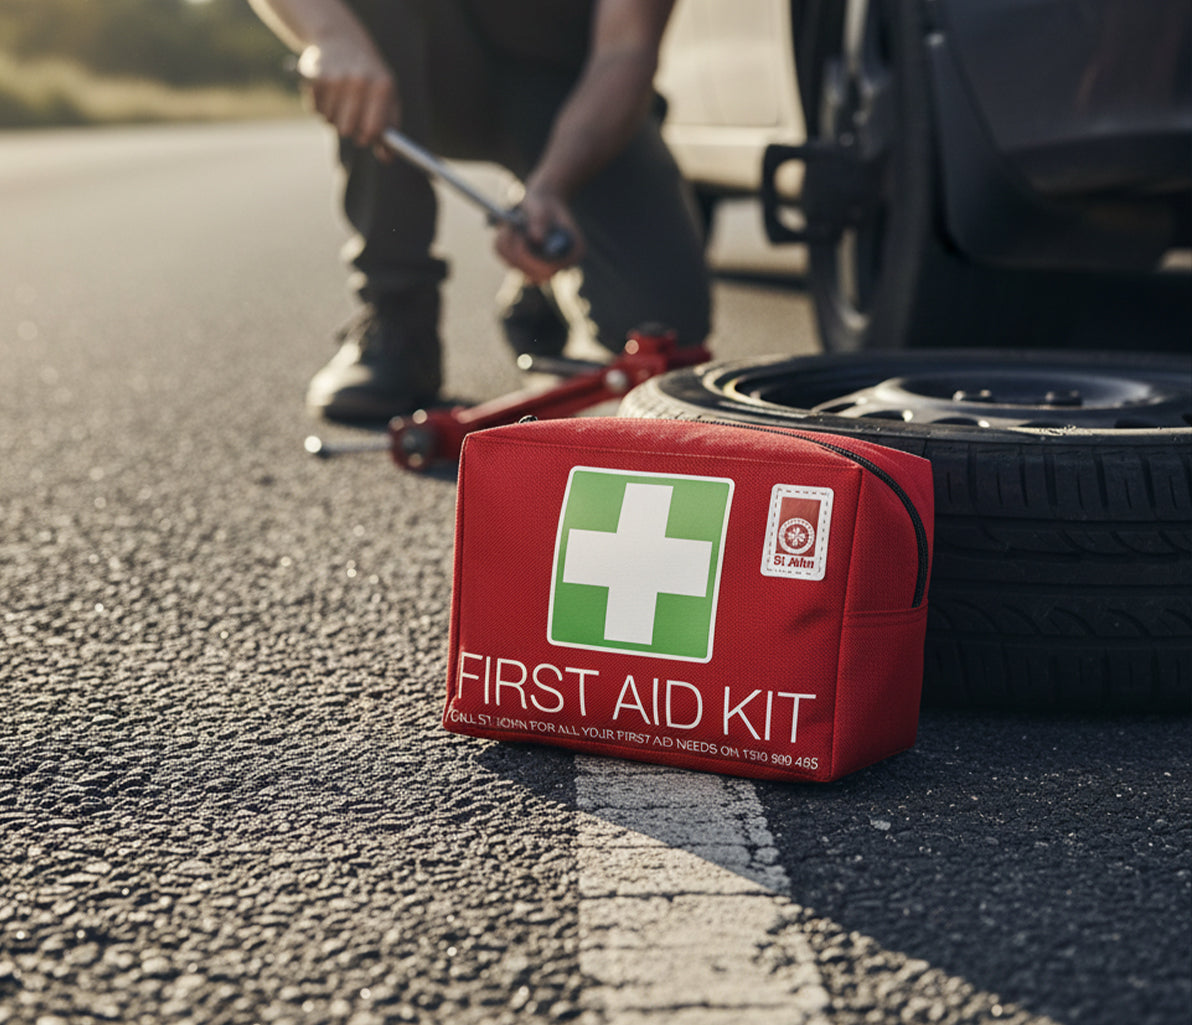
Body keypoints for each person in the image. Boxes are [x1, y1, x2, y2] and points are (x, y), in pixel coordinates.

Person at [247, 0, 711, 421]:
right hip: (419, 71)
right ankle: (396, 322)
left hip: (572, 90)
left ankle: (544, 292)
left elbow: (626, 49)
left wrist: (551, 187)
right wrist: (330, 34)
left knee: (665, 332)